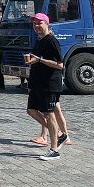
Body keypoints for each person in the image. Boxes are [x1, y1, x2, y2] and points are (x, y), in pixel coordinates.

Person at [25, 12, 65, 161]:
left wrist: (40, 60)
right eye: (34, 24)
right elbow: (37, 60)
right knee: (31, 110)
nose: (36, 26)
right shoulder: (39, 40)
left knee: (50, 114)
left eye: (39, 23)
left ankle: (54, 150)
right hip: (37, 83)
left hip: (49, 84)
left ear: (47, 24)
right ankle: (58, 134)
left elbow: (60, 65)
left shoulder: (51, 41)